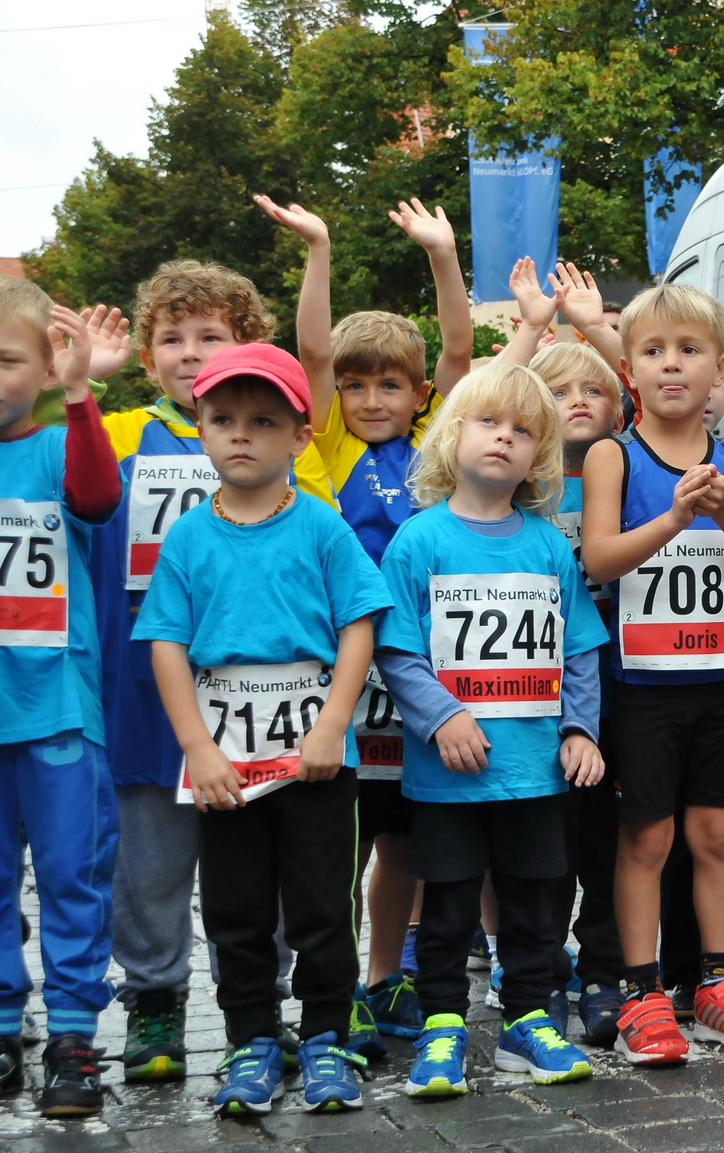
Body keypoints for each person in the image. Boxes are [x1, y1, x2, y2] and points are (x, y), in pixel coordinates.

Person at [99, 259, 337, 1086]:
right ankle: (155, 994)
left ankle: (264, 1004)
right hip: (143, 690)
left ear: (248, 345)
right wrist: (78, 387)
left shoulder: (271, 433)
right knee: (151, 862)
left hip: (258, 700)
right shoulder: (123, 432)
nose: (190, 351)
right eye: (171, 336)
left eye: (211, 335)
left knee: (259, 865)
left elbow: (314, 517)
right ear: (144, 352)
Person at [134, 343, 388, 1115]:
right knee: (236, 906)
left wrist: (333, 722)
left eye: (262, 421)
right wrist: (196, 746)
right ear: (201, 429)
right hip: (227, 760)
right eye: (222, 419)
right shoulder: (187, 537)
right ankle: (249, 1036)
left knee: (321, 903)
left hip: (315, 756)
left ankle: (325, 1035)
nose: (240, 434)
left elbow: (358, 622)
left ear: (299, 437)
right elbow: (167, 642)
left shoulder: (321, 525)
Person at [262, 192, 475, 1054]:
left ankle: (389, 979)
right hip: (344, 672)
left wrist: (443, 256)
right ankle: (335, 989)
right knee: (339, 844)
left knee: (409, 843)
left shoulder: (436, 440)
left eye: (389, 382)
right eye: (355, 384)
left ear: (418, 393)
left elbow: (460, 348)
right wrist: (319, 247)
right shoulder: (329, 448)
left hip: (419, 672)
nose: (371, 396)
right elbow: (312, 347)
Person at [374, 360, 607, 1096]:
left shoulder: (545, 545)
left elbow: (578, 647)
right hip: (448, 776)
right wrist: (442, 714)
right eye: (487, 422)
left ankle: (527, 1018)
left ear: (539, 454)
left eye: (522, 430)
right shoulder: (418, 540)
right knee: (444, 904)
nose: (503, 438)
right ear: (452, 435)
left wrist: (580, 730)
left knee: (537, 900)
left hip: (536, 768)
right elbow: (396, 647)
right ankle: (442, 1024)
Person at [581, 284, 724, 1065]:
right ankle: (641, 991)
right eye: (654, 351)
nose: (672, 365)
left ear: (721, 369)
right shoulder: (612, 454)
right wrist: (671, 517)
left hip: (723, 676)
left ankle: (714, 983)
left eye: (689, 350)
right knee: (646, 837)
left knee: (711, 834)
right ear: (628, 368)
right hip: (642, 684)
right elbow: (599, 559)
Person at [0, 280, 119, 1116]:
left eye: (6, 358)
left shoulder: (59, 445)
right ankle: (4, 1021)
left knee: (74, 870)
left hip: (58, 708)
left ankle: (74, 1032)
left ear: (46, 365)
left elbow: (97, 497)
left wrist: (82, 397)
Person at [532, 338, 630, 1047]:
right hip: (537, 690)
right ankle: (536, 970)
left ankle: (604, 967)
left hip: (621, 679)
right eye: (560, 390)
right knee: (546, 842)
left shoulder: (625, 475)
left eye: (592, 390)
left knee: (607, 839)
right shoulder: (521, 486)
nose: (578, 402)